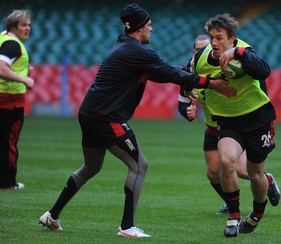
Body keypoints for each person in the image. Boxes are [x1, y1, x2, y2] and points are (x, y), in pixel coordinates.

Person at [38, 3, 235, 238]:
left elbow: (162, 73)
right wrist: (209, 82)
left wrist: (191, 79)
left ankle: (52, 215)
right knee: (139, 165)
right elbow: (168, 72)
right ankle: (127, 227)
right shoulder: (137, 51)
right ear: (140, 27)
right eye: (149, 25)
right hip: (106, 118)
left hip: (90, 114)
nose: (151, 29)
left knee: (91, 166)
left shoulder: (125, 47)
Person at [189, 14, 279, 237]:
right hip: (228, 121)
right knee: (227, 161)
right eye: (212, 37)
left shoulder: (245, 52)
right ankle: (233, 216)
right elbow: (185, 76)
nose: (214, 42)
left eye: (219, 38)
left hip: (257, 119)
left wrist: (238, 53)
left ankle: (257, 213)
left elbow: (264, 70)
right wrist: (185, 103)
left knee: (254, 174)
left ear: (232, 39)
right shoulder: (201, 57)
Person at [0, 9, 35, 190]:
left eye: (29, 24)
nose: (28, 28)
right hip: (9, 102)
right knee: (9, 142)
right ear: (13, 26)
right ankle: (7, 183)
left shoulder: (3, 38)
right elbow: (2, 68)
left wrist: (23, 69)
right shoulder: (13, 45)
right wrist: (25, 79)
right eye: (23, 25)